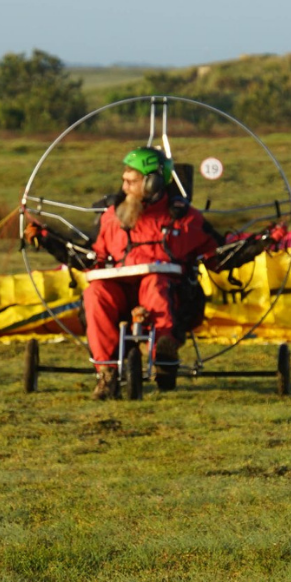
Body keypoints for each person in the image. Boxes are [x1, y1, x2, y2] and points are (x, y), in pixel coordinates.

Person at [82, 147, 221, 399]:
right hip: (120, 291)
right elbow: (94, 256)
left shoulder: (185, 219)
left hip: (172, 294)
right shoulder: (112, 217)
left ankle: (163, 359)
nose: (124, 188)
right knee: (95, 293)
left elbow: (217, 254)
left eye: (131, 182)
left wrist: (263, 241)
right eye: (124, 181)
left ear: (151, 184)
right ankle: (107, 373)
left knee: (155, 283)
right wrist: (47, 238)